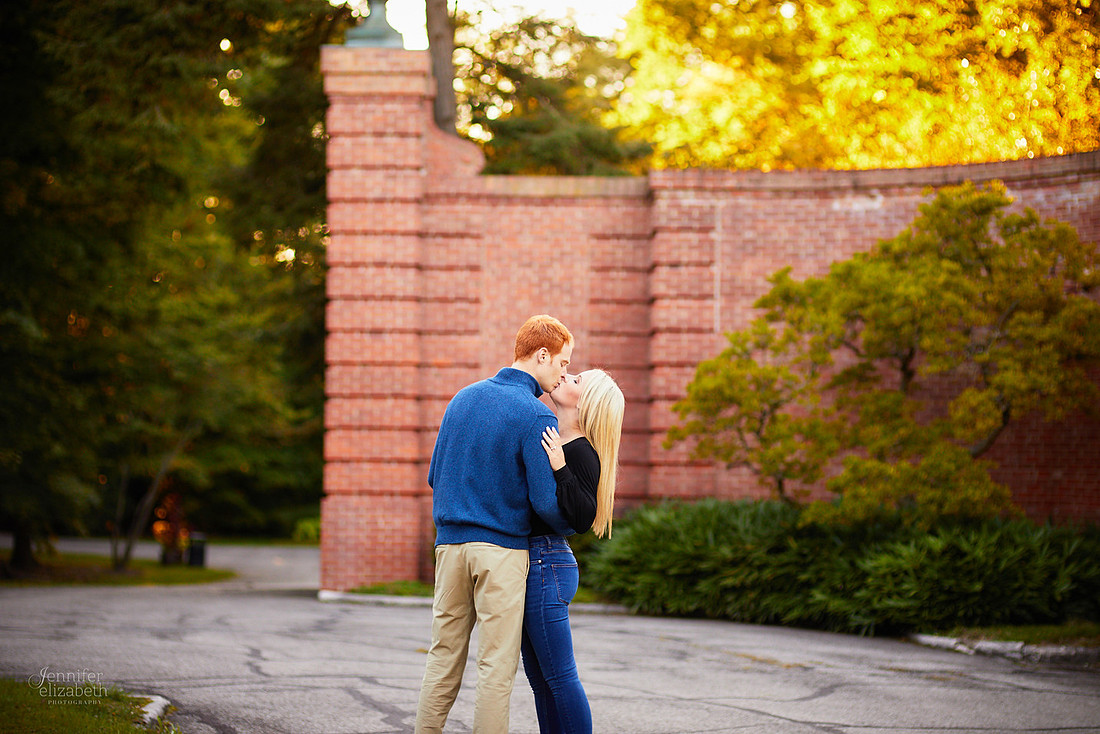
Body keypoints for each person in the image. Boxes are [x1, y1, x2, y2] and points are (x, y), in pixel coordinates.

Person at [415, 315, 577, 734]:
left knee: (443, 655)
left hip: (449, 547)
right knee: (495, 666)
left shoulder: (461, 399)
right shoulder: (535, 415)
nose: (563, 373)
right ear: (541, 355)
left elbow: (435, 474)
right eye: (562, 363)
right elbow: (546, 504)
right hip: (501, 554)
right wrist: (574, 520)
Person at [522, 369, 624, 734]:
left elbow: (582, 517)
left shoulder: (580, 451)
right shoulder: (556, 436)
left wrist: (560, 467)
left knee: (560, 678)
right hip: (534, 564)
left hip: (548, 565)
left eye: (576, 379)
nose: (565, 375)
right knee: (541, 681)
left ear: (587, 403)